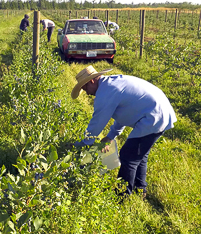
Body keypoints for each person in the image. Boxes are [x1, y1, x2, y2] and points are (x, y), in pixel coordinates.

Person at [71, 65, 177, 198]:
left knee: (128, 156)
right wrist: (110, 137)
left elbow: (97, 123)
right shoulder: (111, 85)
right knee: (139, 154)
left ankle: (121, 196)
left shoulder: (105, 93)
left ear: (91, 81)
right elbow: (125, 113)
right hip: (159, 111)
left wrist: (83, 144)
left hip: (154, 116)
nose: (86, 92)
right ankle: (140, 189)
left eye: (85, 88)